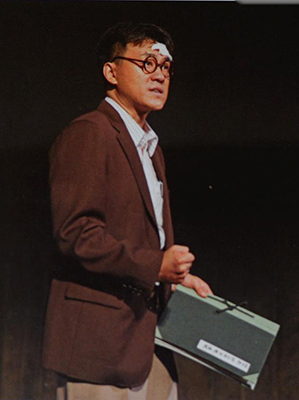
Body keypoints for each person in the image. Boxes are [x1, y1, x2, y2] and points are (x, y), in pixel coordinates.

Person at [42, 22, 212, 400]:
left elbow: (141, 240)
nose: (159, 75)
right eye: (147, 63)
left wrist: (171, 278)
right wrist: (155, 266)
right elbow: (76, 233)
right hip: (99, 346)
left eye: (165, 67)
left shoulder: (151, 148)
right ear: (111, 71)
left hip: (149, 343)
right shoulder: (90, 132)